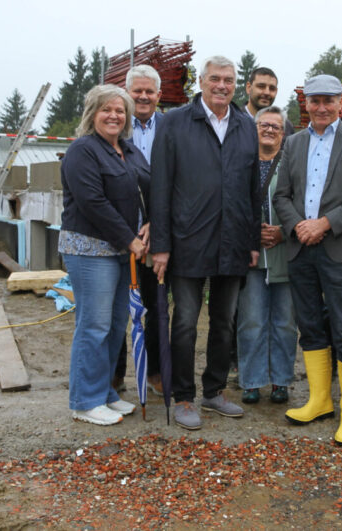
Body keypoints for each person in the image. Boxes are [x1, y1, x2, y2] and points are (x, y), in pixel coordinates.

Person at [150, 55, 260, 431]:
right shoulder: (175, 123)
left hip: (232, 242)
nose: (222, 86)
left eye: (228, 80)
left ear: (236, 84)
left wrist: (251, 240)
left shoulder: (246, 126)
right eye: (215, 78)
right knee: (183, 322)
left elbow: (251, 190)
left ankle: (213, 391)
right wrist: (161, 245)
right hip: (187, 242)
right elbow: (160, 187)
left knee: (225, 321)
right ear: (201, 81)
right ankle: (183, 397)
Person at [273, 74, 342, 445]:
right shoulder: (294, 142)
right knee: (309, 324)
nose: (321, 107)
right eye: (314, 100)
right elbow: (281, 195)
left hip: (340, 248)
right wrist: (298, 225)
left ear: (340, 102)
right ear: (305, 103)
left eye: (328, 101)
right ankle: (319, 400)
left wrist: (326, 223)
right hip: (302, 247)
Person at [59, 84, 150, 426]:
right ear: (92, 114)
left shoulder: (127, 149)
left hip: (121, 249)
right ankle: (84, 400)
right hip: (91, 248)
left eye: (120, 110)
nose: (114, 116)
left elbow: (146, 189)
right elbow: (93, 203)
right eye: (106, 110)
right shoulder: (83, 151)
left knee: (115, 325)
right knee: (93, 325)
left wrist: (150, 222)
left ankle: (106, 393)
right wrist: (130, 239)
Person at [235, 106, 297, 405]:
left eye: (276, 126)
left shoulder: (292, 165)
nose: (269, 130)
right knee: (252, 321)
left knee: (285, 322)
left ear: (284, 133)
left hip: (285, 254)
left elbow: (304, 206)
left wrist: (284, 230)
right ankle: (252, 380)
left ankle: (281, 380)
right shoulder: (240, 165)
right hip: (251, 258)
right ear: (254, 129)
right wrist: (250, 235)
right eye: (264, 125)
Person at [112, 65, 165, 396]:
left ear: (159, 96)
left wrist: (157, 221)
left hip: (158, 233)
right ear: (126, 93)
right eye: (137, 91)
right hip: (120, 234)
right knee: (117, 306)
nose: (143, 97)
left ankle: (156, 372)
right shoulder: (114, 126)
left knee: (158, 307)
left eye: (150, 92)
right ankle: (114, 375)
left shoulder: (172, 128)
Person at [243, 66, 295, 136]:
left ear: (276, 91)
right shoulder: (233, 121)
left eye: (272, 88)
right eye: (261, 86)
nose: (267, 92)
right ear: (249, 88)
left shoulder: (286, 126)